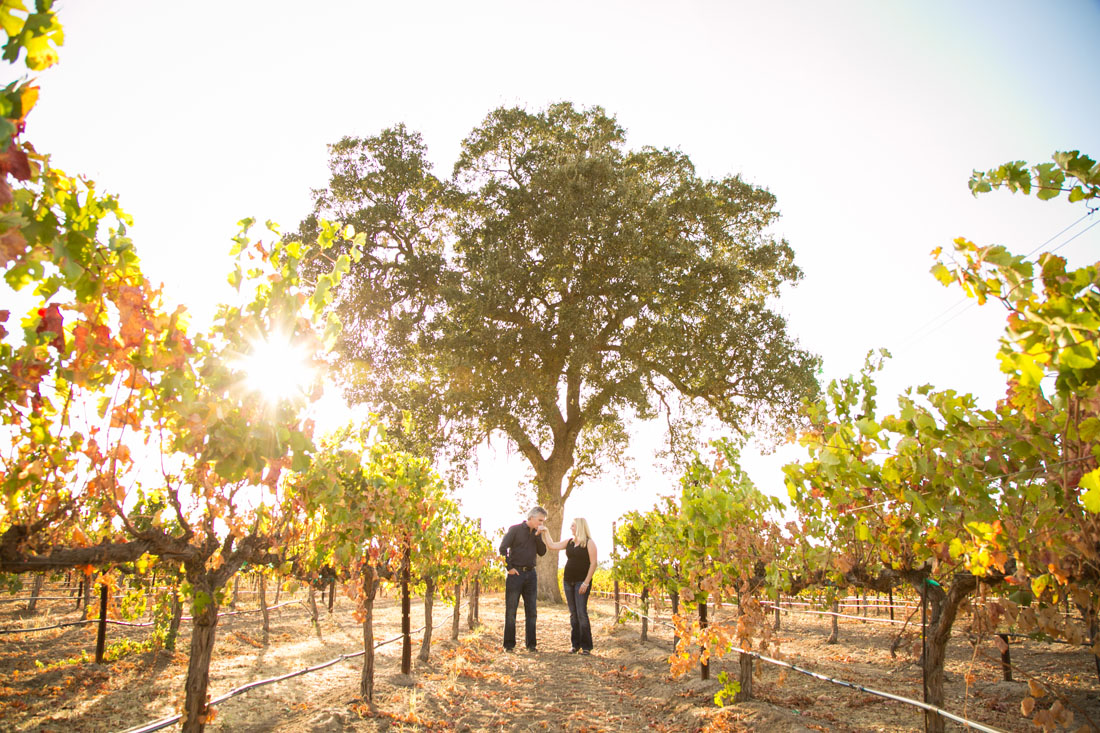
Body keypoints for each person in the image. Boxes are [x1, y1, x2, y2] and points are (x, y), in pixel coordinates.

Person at [540, 518, 597, 654]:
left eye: (572, 525)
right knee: (573, 614)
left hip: (581, 582)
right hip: (568, 581)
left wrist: (586, 582)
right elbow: (552, 545)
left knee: (581, 613)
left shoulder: (589, 543)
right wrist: (545, 531)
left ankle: (587, 647)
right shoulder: (570, 542)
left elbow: (593, 563)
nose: (570, 528)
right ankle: (575, 645)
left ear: (580, 527)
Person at [498, 506, 548, 652]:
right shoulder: (514, 530)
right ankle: (509, 645)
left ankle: (531, 645)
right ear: (531, 518)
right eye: (540, 520)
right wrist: (509, 568)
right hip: (516, 575)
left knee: (532, 611)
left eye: (543, 521)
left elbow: (542, 552)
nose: (541, 523)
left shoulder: (537, 533)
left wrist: (539, 536)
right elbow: (502, 549)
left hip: (531, 575)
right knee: (511, 610)